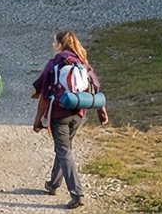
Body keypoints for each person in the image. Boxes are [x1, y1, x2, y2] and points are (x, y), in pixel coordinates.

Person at [32, 30, 108, 210]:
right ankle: (53, 184)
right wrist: (102, 113)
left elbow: (43, 94)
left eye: (54, 42)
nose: (52, 45)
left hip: (60, 113)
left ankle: (77, 193)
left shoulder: (54, 63)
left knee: (64, 150)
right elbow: (95, 87)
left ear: (60, 45)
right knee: (65, 147)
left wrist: (38, 119)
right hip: (79, 112)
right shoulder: (82, 62)